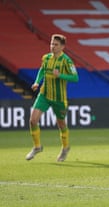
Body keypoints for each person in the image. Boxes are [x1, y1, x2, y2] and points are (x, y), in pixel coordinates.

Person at [25, 34, 79, 162]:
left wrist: (60, 75)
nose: (52, 47)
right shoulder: (46, 58)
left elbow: (75, 78)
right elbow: (42, 70)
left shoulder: (67, 61)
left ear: (62, 47)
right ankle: (37, 146)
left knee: (61, 124)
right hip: (44, 95)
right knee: (33, 120)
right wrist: (37, 82)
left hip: (59, 98)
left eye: (56, 45)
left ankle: (65, 148)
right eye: (51, 44)